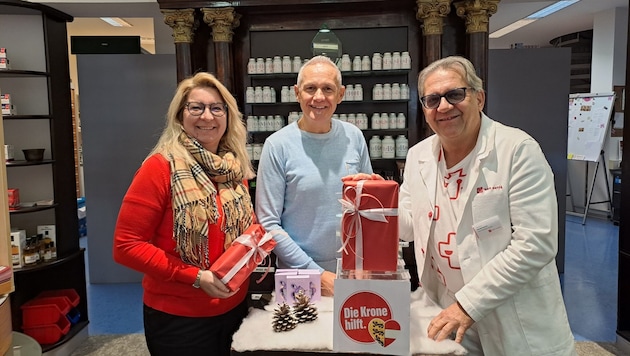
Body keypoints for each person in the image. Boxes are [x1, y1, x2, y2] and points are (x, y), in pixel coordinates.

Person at [398, 56, 577, 355]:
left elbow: (536, 243)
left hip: (513, 318)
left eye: (455, 94)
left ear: (478, 98)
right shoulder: (419, 157)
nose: (443, 106)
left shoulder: (517, 150)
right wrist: (372, 198)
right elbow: (407, 224)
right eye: (432, 99)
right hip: (447, 313)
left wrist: (468, 304)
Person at [112, 72, 255, 356]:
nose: (207, 116)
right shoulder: (160, 167)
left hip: (236, 309)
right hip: (179, 318)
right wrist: (194, 276)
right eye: (196, 107)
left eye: (217, 108)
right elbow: (125, 246)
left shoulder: (233, 169)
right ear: (180, 116)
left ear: (228, 116)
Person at [255, 55, 375, 296]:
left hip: (352, 270)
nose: (319, 97)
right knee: (302, 334)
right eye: (310, 88)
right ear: (297, 93)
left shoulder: (354, 136)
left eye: (327, 89)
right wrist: (316, 274)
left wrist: (367, 259)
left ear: (341, 94)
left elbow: (367, 206)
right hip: (297, 275)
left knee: (350, 333)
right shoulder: (277, 145)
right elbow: (268, 223)